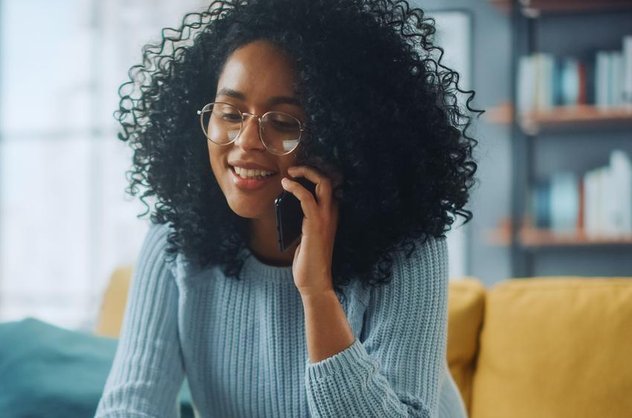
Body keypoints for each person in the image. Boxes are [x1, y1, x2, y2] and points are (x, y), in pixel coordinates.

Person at [95, 0, 479, 416]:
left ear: (343, 139)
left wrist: (317, 294)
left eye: (282, 123)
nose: (245, 142)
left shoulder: (408, 248)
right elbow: (130, 407)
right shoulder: (175, 241)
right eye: (230, 113)